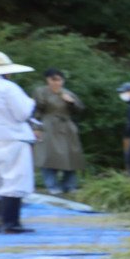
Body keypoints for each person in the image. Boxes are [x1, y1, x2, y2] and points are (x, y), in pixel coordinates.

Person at [0, 50, 38, 234]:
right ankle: (10, 223)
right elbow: (22, 113)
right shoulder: (8, 88)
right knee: (14, 180)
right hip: (11, 139)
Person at [31, 68, 86, 196]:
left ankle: (69, 185)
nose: (57, 83)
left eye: (59, 80)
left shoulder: (67, 93)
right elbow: (35, 111)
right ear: (48, 80)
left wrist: (71, 103)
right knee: (47, 156)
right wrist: (36, 128)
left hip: (67, 126)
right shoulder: (40, 92)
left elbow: (80, 109)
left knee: (71, 156)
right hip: (48, 125)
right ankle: (52, 186)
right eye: (53, 80)